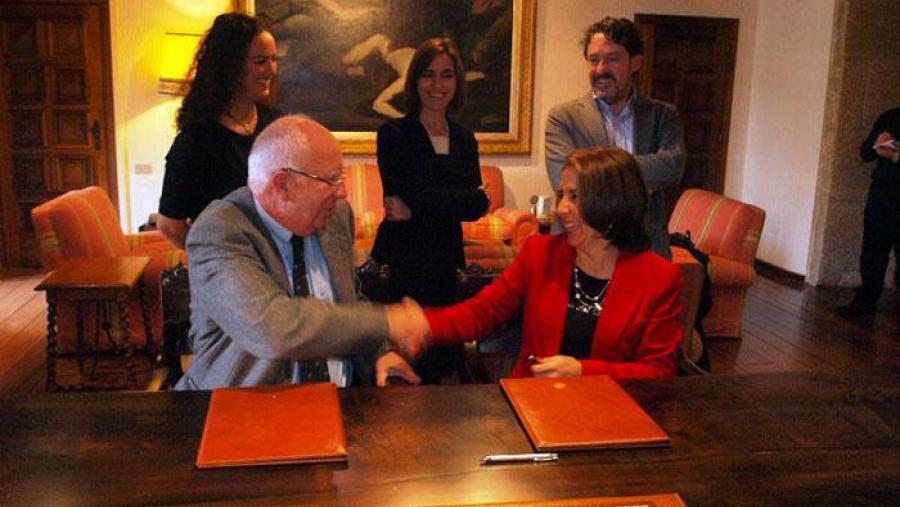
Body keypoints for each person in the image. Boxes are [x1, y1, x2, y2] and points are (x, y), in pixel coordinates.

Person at [175, 115, 427, 390]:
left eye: (341, 177)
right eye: (331, 179)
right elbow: (274, 328)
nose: (343, 192)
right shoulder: (220, 231)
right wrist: (387, 321)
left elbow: (349, 301)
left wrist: (380, 352)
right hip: (242, 406)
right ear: (283, 185)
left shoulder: (336, 216)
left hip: (341, 400)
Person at [422, 147, 684, 380]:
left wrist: (583, 372)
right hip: (535, 405)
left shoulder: (659, 278)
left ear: (613, 202)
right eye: (562, 195)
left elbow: (659, 372)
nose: (561, 208)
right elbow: (482, 312)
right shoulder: (541, 253)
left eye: (575, 196)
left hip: (611, 413)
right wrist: (423, 324)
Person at [370, 37, 491, 383]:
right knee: (406, 355)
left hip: (446, 260)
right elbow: (407, 193)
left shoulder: (464, 138)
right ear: (415, 80)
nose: (438, 85)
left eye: (447, 75)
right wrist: (460, 199)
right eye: (428, 75)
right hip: (404, 259)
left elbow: (476, 206)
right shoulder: (393, 133)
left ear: (457, 81)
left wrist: (422, 203)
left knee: (443, 355)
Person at [545, 17, 684, 259]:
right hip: (581, 253)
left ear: (635, 63)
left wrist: (595, 174)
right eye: (594, 60)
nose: (601, 70)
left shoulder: (663, 115)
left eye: (612, 59)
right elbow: (563, 177)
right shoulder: (563, 118)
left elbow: (672, 167)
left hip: (646, 250)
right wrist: (634, 179)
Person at [157, 13, 283, 248]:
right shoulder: (196, 140)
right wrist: (214, 255)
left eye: (273, 59)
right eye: (260, 61)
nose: (271, 70)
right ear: (231, 66)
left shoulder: (276, 126)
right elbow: (170, 225)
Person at [836, 107, 900, 318]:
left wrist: (894, 153)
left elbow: (893, 152)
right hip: (881, 193)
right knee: (873, 249)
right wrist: (876, 145)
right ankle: (865, 301)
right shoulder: (889, 117)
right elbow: (865, 152)